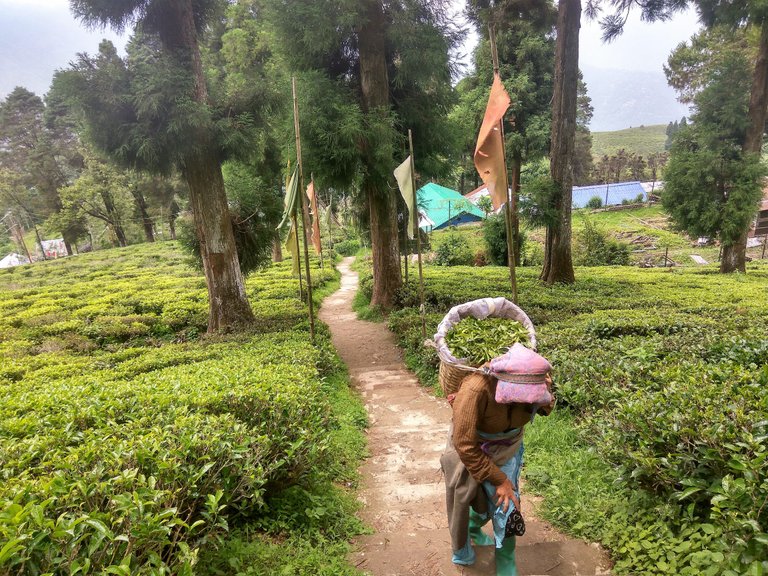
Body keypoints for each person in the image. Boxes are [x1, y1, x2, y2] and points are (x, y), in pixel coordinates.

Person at [441, 343, 555, 575]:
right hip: (475, 450)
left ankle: (506, 561)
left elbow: (543, 409)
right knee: (471, 497)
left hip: (510, 449)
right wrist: (498, 478)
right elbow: (464, 444)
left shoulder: (533, 380)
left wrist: (544, 394)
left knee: (507, 505)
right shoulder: (476, 388)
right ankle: (472, 529)